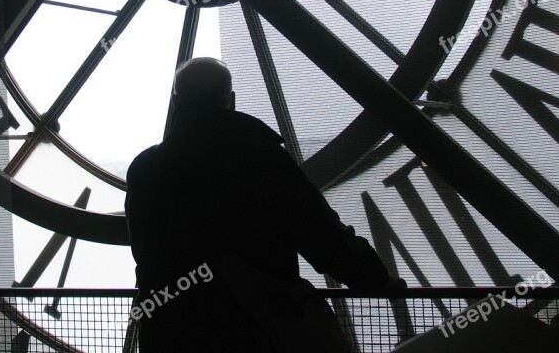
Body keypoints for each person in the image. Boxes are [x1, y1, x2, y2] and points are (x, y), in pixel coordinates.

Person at [125, 57, 405, 352]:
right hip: (254, 331)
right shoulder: (260, 155)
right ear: (230, 99)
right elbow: (318, 232)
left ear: (176, 101)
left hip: (170, 331)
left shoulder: (146, 169)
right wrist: (374, 277)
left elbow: (145, 251)